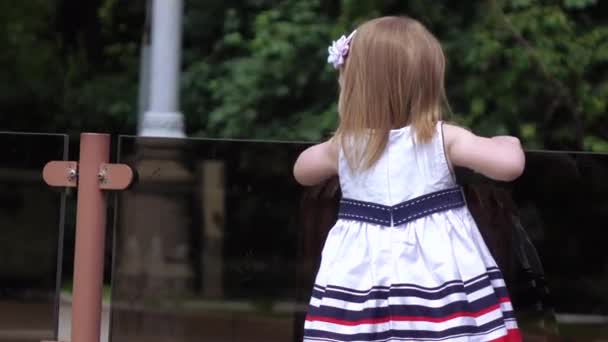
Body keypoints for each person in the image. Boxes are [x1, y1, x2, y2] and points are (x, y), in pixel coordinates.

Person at [293, 16, 525, 342]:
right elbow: (509, 165)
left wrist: (337, 148)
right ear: (427, 83)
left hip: (360, 284)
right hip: (438, 290)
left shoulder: (346, 147)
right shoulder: (441, 138)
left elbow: (302, 170)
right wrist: (508, 141)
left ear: (352, 84)